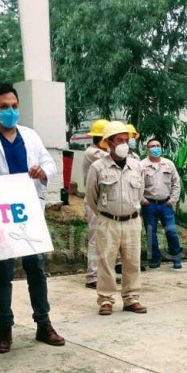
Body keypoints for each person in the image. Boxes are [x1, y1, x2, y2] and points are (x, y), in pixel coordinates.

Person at [0, 83, 65, 352]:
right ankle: (4, 329)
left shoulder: (30, 136)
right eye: (4, 107)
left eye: (14, 106)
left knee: (36, 271)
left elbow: (50, 164)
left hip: (29, 214)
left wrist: (42, 172)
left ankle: (44, 324)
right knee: (3, 273)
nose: (10, 111)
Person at [85, 121, 147, 315]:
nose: (124, 144)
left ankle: (131, 298)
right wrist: (106, 214)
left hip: (132, 221)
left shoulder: (137, 166)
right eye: (119, 140)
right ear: (109, 143)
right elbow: (91, 197)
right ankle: (106, 300)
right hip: (108, 221)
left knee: (132, 261)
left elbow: (140, 193)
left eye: (126, 140)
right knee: (106, 262)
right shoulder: (98, 167)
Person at [141, 138, 182, 269]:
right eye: (152, 146)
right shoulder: (141, 165)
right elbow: (136, 185)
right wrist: (143, 201)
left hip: (166, 204)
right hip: (149, 204)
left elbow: (176, 183)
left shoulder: (169, 164)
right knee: (150, 233)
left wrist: (172, 200)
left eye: (158, 145)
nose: (156, 148)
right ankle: (154, 259)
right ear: (147, 149)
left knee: (171, 232)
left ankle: (176, 257)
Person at [82, 119, 109, 289]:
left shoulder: (99, 152)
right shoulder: (94, 153)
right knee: (95, 237)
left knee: (106, 238)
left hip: (105, 200)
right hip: (95, 199)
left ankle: (102, 272)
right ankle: (92, 275)